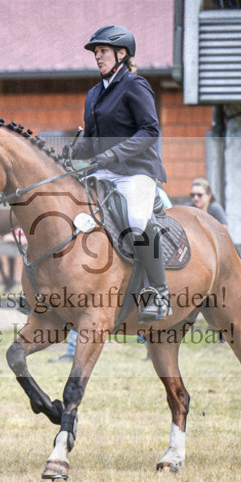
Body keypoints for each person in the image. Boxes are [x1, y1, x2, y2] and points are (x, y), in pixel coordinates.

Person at [69, 25, 168, 321]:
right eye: (95, 53)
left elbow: (149, 131)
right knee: (71, 209)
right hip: (104, 172)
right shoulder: (94, 93)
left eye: (102, 51)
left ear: (121, 54)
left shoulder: (134, 85)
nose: (97, 57)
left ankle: (159, 291)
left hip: (137, 171)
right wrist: (74, 151)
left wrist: (114, 153)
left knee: (137, 220)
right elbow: (92, 138)